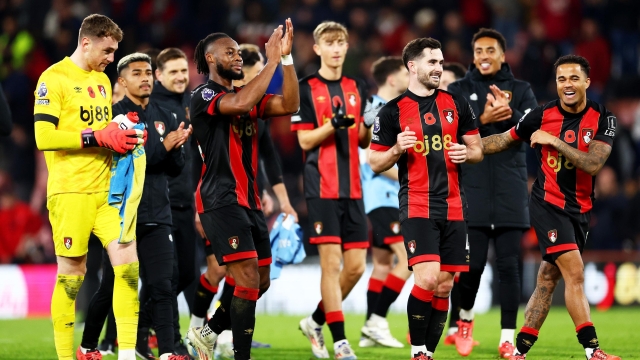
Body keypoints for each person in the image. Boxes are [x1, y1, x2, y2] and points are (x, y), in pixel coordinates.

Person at [481, 55, 620, 360]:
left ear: (586, 82)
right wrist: (472, 147)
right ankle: (592, 350)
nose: (567, 84)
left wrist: (554, 141)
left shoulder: (604, 118)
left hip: (580, 208)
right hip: (547, 203)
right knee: (576, 273)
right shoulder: (541, 114)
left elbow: (594, 163)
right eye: (561, 79)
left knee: (547, 278)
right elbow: (506, 139)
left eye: (573, 78)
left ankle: (519, 350)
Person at [185, 19, 299, 360]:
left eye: (239, 52)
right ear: (210, 57)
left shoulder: (245, 96)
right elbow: (236, 106)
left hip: (249, 201)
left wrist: (287, 60)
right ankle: (241, 356)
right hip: (221, 200)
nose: (237, 57)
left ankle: (206, 333)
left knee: (260, 281)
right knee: (247, 277)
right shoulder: (204, 95)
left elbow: (290, 105)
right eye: (230, 52)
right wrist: (271, 62)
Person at [33, 14, 142, 360]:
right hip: (71, 193)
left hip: (107, 193)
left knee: (128, 267)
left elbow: (101, 131)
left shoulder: (102, 81)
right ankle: (67, 356)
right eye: (107, 50)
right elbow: (43, 136)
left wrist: (122, 129)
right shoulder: (54, 78)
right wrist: (96, 135)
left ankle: (126, 354)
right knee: (73, 275)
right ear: (86, 42)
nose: (111, 58)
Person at [369, 37, 484, 360]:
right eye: (432, 62)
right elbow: (375, 162)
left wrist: (468, 152)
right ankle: (418, 351)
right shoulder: (391, 112)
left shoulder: (457, 103)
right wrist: (396, 150)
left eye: (441, 62)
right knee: (429, 277)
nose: (439, 68)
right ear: (412, 66)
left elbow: (476, 149)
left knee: (445, 285)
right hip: (417, 203)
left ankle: (429, 353)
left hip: (454, 205)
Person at [78, 52, 191, 360]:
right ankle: (88, 345)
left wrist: (177, 147)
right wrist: (166, 146)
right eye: (137, 73)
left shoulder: (166, 114)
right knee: (112, 286)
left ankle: (167, 352)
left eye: (148, 72)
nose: (145, 78)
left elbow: (174, 168)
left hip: (157, 213)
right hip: (120, 216)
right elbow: (146, 156)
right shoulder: (114, 117)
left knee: (162, 286)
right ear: (122, 81)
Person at [446, 28, 538, 358]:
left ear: (503, 55)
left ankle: (507, 339)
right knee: (472, 268)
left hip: (511, 189)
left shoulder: (521, 90)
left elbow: (535, 133)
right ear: (473, 56)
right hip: (471, 190)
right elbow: (450, 136)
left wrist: (511, 114)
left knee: (509, 267)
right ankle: (465, 321)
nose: (484, 56)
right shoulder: (457, 90)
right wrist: (483, 119)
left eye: (491, 50)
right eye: (479, 50)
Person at [292, 21, 371, 360]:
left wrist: (367, 126)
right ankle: (340, 341)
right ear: (317, 48)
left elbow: (364, 138)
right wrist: (331, 125)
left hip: (353, 186)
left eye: (341, 42)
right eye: (330, 43)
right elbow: (304, 140)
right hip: (321, 186)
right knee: (332, 265)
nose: (336, 48)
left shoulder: (357, 86)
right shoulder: (306, 87)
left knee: (355, 267)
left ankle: (314, 320)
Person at [358, 56, 410, 349]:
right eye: (405, 71)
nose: (408, 76)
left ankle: (369, 328)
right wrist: (411, 174)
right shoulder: (377, 110)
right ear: (392, 78)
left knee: (381, 264)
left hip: (379, 197)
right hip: (382, 195)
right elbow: (372, 159)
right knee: (407, 260)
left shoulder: (382, 108)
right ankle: (377, 319)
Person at [151, 47, 200, 355]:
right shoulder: (152, 106)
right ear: (159, 75)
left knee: (186, 275)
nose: (181, 76)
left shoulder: (191, 102)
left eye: (184, 70)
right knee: (167, 278)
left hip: (186, 202)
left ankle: (146, 327)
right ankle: (173, 340)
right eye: (174, 72)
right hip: (160, 204)